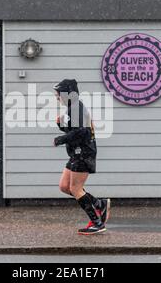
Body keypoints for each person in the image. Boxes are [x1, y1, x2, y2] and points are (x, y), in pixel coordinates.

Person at [53, 79, 111, 235]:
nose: (57, 97)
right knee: (64, 186)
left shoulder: (76, 108)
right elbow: (76, 131)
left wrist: (60, 139)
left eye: (59, 94)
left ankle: (97, 223)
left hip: (83, 153)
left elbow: (82, 133)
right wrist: (61, 126)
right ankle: (99, 204)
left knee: (75, 189)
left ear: (67, 94)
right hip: (76, 153)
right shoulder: (73, 108)